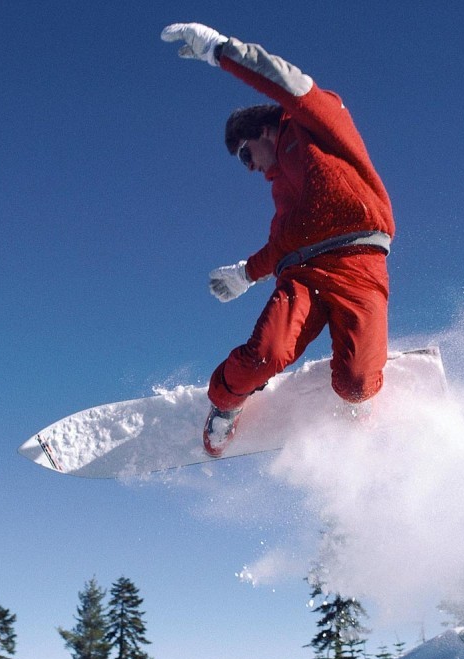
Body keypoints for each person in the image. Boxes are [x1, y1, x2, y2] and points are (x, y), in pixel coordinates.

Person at [160, 23, 395, 457]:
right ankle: (225, 406)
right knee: (264, 356)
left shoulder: (315, 124)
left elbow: (284, 80)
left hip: (358, 262)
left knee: (357, 384)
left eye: (246, 155)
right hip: (302, 274)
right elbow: (283, 244)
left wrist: (222, 51)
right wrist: (244, 274)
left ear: (263, 130)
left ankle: (360, 400)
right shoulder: (283, 193)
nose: (250, 168)